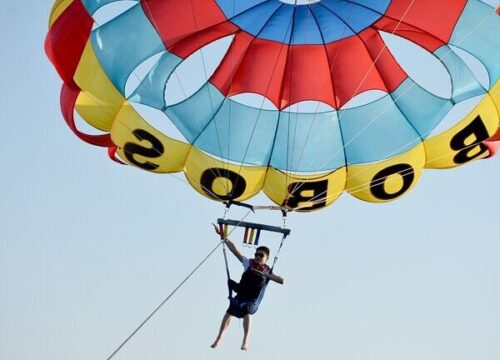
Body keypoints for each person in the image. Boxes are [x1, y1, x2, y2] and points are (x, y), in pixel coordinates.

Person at [210, 225, 284, 351]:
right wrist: (222, 236)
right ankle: (219, 337)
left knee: (247, 310)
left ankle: (245, 340)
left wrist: (267, 275)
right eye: (256, 254)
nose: (257, 257)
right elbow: (234, 250)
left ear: (266, 258)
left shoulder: (267, 270)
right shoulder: (248, 263)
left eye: (261, 255)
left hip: (252, 300)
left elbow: (281, 280)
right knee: (231, 308)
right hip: (241, 294)